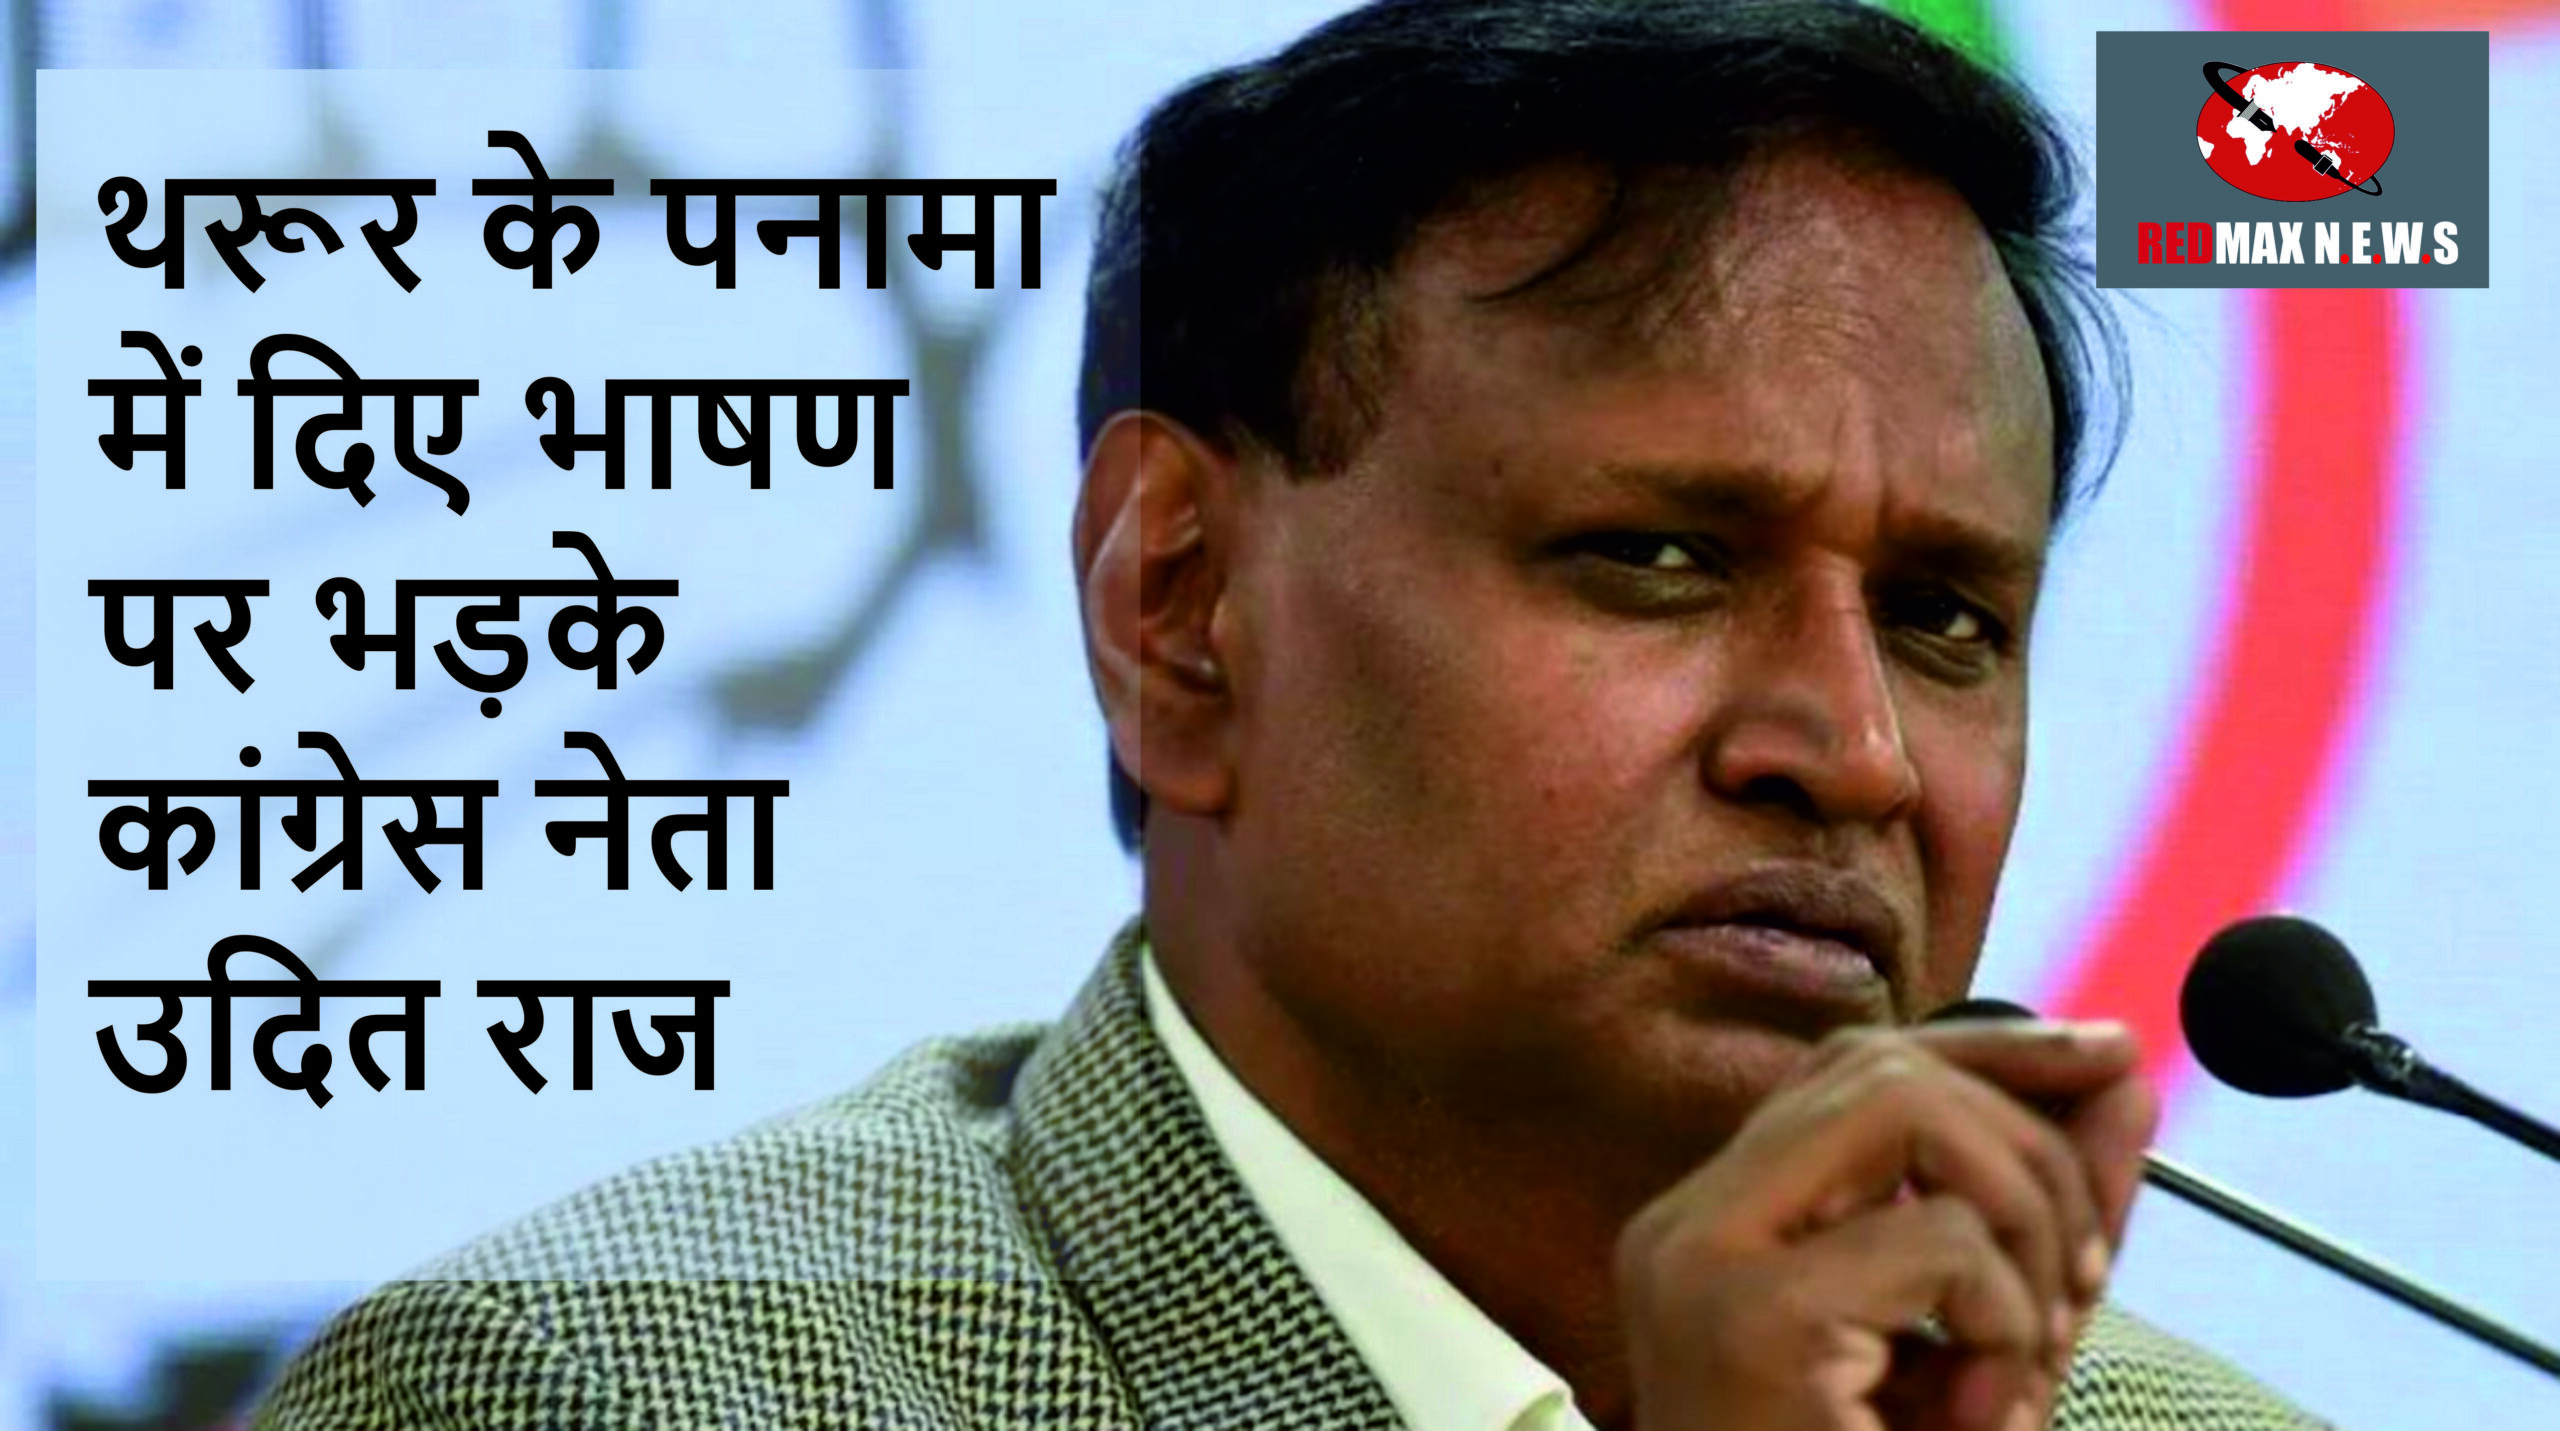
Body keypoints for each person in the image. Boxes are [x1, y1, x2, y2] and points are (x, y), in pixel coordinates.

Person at [251, 2, 2332, 1427]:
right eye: (1654, 557)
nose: (1851, 750)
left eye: (1944, 616)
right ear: (1176, 611)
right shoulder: (588, 1386)